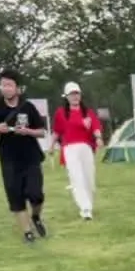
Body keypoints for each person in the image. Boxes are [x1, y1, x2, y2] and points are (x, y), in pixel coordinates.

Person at [0, 70, 48, 242]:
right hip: (9, 160)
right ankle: (27, 232)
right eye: (3, 85)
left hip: (31, 158)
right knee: (16, 196)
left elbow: (42, 132)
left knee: (36, 195)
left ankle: (36, 216)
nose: (5, 89)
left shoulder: (28, 107)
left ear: (17, 88)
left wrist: (28, 131)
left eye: (9, 85)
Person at [51, 82, 103, 220]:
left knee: (89, 178)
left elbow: (96, 127)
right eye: (72, 94)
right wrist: (51, 146)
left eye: (77, 93)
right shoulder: (61, 113)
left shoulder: (88, 112)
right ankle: (85, 209)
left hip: (86, 147)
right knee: (77, 178)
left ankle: (89, 204)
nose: (75, 97)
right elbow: (57, 131)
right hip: (70, 148)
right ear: (66, 97)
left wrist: (98, 138)